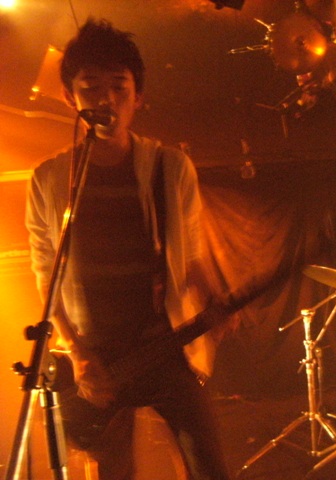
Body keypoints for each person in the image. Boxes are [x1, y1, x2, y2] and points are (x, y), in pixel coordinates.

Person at [25, 18, 229, 479]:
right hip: (96, 355)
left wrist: (215, 298)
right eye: (91, 88)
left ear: (138, 96)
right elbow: (46, 274)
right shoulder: (50, 179)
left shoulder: (171, 167)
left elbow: (191, 255)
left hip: (163, 345)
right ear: (70, 97)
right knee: (114, 471)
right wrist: (77, 353)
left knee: (210, 466)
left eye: (119, 87)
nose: (107, 100)